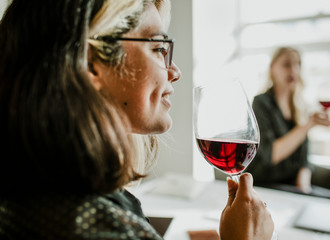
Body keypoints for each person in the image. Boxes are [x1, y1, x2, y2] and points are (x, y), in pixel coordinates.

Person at [0, 0, 274, 239]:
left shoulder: (28, 190)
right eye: (157, 48)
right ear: (91, 63)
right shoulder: (99, 226)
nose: (174, 71)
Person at [245, 47, 330, 200]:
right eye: (287, 64)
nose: (294, 70)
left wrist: (304, 187)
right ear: (272, 69)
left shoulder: (299, 106)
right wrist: (307, 126)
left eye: (297, 64)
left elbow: (304, 159)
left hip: (291, 186)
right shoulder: (261, 103)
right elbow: (271, 155)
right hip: (266, 184)